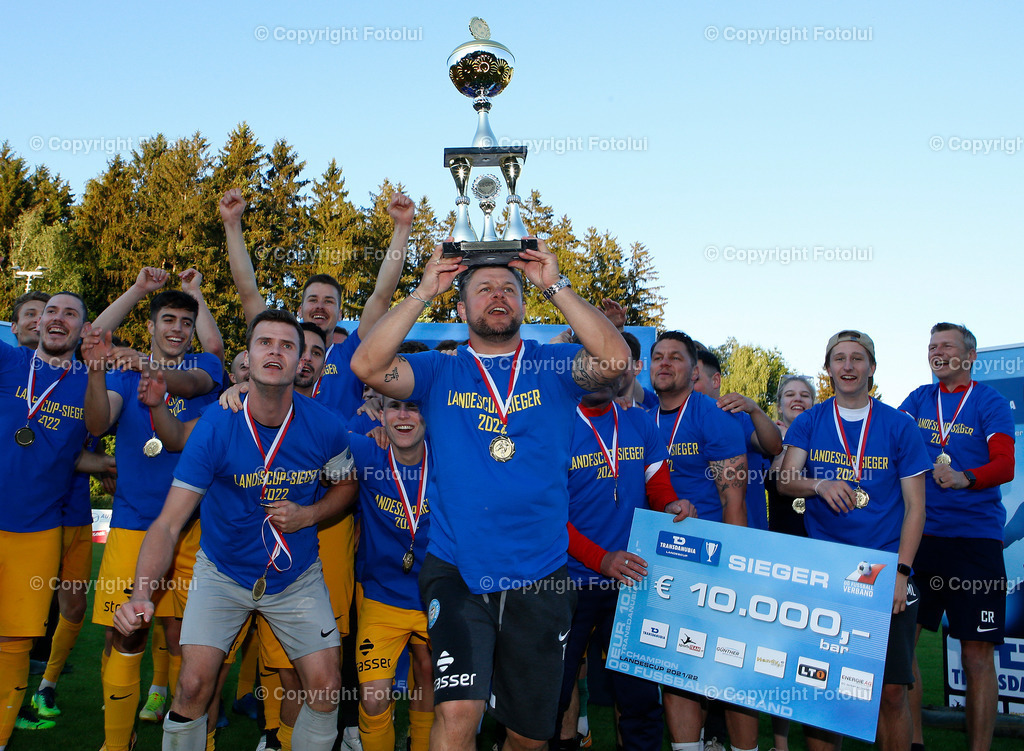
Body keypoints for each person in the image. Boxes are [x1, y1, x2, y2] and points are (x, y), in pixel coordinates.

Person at [351, 240, 630, 751]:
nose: (497, 296)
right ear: (460, 308)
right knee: (457, 714)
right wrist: (420, 292)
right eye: (482, 289)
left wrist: (556, 284)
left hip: (540, 575)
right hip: (457, 570)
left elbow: (615, 360)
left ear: (525, 305)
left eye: (509, 288)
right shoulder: (441, 371)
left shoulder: (555, 367)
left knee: (528, 736)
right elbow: (367, 365)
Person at [113, 309, 356, 751]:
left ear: (302, 360)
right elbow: (168, 524)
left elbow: (347, 485)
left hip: (296, 577)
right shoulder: (216, 425)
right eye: (265, 343)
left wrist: (310, 514)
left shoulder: (325, 425)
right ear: (249, 353)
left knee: (325, 686)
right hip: (222, 574)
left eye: (287, 345)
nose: (275, 352)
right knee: (192, 685)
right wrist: (141, 596)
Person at [83, 270, 224, 751]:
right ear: (151, 325)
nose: (178, 329)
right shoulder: (123, 372)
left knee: (195, 644)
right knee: (123, 635)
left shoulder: (206, 370)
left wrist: (147, 364)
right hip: (133, 523)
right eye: (168, 319)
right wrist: (99, 370)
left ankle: (192, 741)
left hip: (194, 530)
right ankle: (116, 742)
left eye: (186, 321)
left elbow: (188, 382)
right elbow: (99, 420)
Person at [779, 330, 928, 751]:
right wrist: (819, 484)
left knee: (891, 690)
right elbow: (787, 480)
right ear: (827, 369)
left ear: (872, 369)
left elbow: (916, 508)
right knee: (822, 691)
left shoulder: (899, 425)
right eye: (839, 358)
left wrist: (901, 573)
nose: (848, 366)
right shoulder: (810, 420)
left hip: (882, 569)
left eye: (857, 358)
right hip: (825, 571)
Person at [556, 372, 694, 751]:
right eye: (590, 368)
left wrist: (671, 505)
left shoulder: (638, 421)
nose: (599, 377)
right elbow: (549, 514)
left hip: (631, 581)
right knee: (556, 691)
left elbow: (657, 481)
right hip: (569, 581)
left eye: (607, 370)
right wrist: (599, 559)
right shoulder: (555, 423)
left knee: (638, 697)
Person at [900, 323, 1015, 751]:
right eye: (931, 345)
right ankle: (913, 740)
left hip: (974, 541)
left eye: (947, 345)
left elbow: (1005, 464)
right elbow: (885, 436)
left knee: (977, 654)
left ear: (970, 356)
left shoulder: (988, 401)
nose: (937, 351)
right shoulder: (918, 399)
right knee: (903, 645)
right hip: (921, 538)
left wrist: (966, 477)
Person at [647, 331, 757, 751]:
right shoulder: (641, 415)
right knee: (673, 665)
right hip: (660, 561)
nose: (664, 363)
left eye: (676, 357)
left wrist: (735, 568)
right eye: (658, 356)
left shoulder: (713, 416)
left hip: (712, 559)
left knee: (730, 669)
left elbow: (734, 499)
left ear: (695, 372)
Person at [0, 292, 96, 748]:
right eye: (50, 311)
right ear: (36, 324)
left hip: (39, 529)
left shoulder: (88, 379)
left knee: (15, 643)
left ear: (83, 330)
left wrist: (137, 290)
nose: (57, 319)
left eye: (70, 314)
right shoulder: (10, 362)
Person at [348, 397, 437, 751]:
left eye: (413, 407)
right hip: (382, 597)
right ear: (379, 412)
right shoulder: (368, 452)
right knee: (373, 699)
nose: (403, 416)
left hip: (436, 597)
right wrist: (246, 388)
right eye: (394, 407)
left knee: (428, 675)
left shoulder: (448, 457)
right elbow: (310, 428)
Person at [692, 348, 782, 530]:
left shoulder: (736, 416)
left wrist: (754, 409)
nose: (687, 385)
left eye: (695, 379)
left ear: (715, 380)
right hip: (695, 537)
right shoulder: (669, 420)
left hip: (745, 539)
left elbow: (774, 446)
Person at [765, 375, 816, 538]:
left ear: (812, 404)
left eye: (805, 395)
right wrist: (786, 442)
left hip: (816, 539)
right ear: (780, 406)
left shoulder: (825, 440)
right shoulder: (766, 442)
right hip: (779, 540)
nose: (798, 399)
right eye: (790, 395)